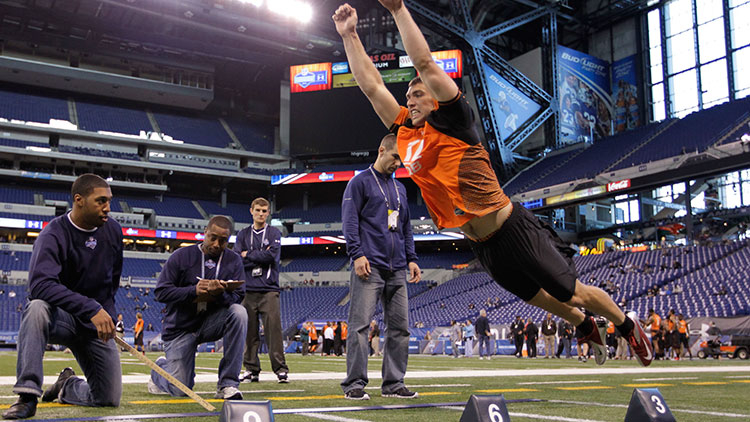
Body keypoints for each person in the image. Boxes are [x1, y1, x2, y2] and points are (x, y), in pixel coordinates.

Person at [332, 0, 652, 369]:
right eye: (408, 97)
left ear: (437, 98)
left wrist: (398, 10)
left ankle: (626, 325)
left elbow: (424, 63)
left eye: (417, 94)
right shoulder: (404, 132)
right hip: (481, 244)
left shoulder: (455, 119)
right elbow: (372, 86)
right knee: (536, 297)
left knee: (571, 291)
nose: (410, 100)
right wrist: (349, 35)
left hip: (511, 227)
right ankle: (582, 324)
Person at [2, 174, 123, 420]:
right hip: (62, 318)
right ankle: (27, 395)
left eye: (109, 201)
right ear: (79, 200)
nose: (107, 208)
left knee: (108, 398)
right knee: (36, 308)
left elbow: (112, 282)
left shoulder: (113, 231)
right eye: (100, 201)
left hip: (93, 322)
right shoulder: (53, 233)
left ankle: (67, 384)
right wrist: (90, 308)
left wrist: (108, 314)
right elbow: (39, 285)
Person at [340, 134, 421, 401]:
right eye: (394, 157)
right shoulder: (359, 183)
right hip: (369, 265)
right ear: (381, 150)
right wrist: (357, 254)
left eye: (401, 159)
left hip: (397, 267)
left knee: (400, 328)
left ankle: (394, 383)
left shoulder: (400, 189)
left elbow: (406, 226)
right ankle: (354, 383)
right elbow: (350, 222)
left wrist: (412, 258)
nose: (398, 163)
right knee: (360, 326)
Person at [148, 216, 246, 400]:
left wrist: (219, 294)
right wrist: (193, 291)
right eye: (213, 238)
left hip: (210, 324)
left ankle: (228, 384)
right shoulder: (181, 256)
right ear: (205, 233)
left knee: (239, 313)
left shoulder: (233, 261)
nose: (217, 244)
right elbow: (160, 292)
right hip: (180, 329)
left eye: (223, 241)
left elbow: (237, 297)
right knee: (181, 389)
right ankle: (160, 370)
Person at [234, 197, 289, 383]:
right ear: (251, 211)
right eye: (258, 210)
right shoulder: (242, 234)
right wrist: (258, 256)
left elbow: (271, 256)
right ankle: (251, 369)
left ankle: (280, 369)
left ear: (268, 213)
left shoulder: (274, 232)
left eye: (264, 211)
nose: (261, 214)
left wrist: (248, 254)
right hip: (247, 290)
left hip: (269, 290)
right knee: (249, 332)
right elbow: (237, 259)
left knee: (274, 330)